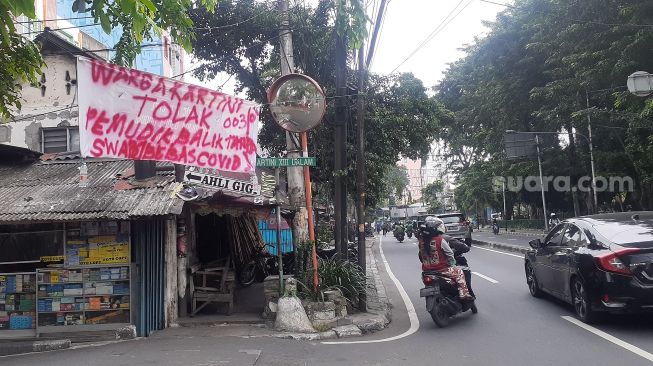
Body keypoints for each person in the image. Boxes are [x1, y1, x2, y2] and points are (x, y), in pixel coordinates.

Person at [418, 216, 473, 301]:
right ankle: (464, 294)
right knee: (459, 272)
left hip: (427, 272)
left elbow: (420, 256)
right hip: (441, 270)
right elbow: (449, 253)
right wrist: (453, 265)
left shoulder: (421, 242)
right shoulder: (440, 240)